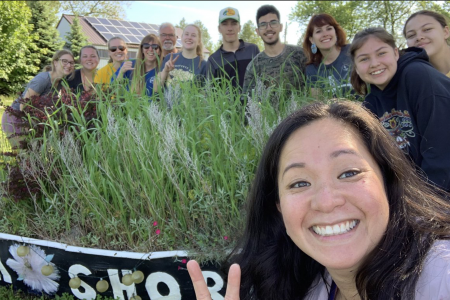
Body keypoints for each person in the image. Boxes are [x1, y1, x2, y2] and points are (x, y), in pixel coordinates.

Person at [187, 100, 450, 300]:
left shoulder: (442, 276)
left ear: (387, 180)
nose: (326, 201)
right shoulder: (305, 284)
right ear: (278, 208)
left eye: (349, 173)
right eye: (299, 183)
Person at [349, 27, 450, 192]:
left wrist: (426, 206)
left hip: (439, 192)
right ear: (357, 67)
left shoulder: (418, 76)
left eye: (381, 53)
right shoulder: (370, 104)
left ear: (396, 53)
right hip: (415, 193)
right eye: (364, 59)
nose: (375, 63)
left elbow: (442, 152)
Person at [2, 50, 75, 146]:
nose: (68, 65)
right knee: (23, 155)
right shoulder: (43, 80)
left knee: (35, 156)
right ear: (55, 62)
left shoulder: (60, 82)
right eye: (64, 61)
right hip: (17, 118)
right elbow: (23, 106)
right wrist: (34, 127)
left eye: (71, 62)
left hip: (32, 121)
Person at [242, 5, 307, 100]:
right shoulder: (253, 67)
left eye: (273, 22)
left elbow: (316, 91)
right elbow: (248, 103)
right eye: (263, 24)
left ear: (280, 27)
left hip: (302, 114)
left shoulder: (300, 55)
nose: (269, 28)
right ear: (258, 31)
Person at [206, 7, 260, 90]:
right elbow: (210, 93)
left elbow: (263, 80)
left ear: (239, 27)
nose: (230, 28)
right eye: (224, 24)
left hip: (252, 103)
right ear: (219, 29)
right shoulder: (213, 60)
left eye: (234, 23)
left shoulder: (253, 50)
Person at [303, 13, 353, 98]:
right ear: (312, 40)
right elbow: (317, 105)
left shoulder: (352, 51)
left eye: (329, 28)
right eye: (318, 31)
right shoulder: (312, 69)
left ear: (336, 33)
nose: (325, 34)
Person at [154, 24, 207, 93]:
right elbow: (155, 89)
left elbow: (205, 95)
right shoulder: (169, 58)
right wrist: (165, 71)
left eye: (193, 35)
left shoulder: (204, 65)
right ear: (181, 38)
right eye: (186, 34)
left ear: (199, 41)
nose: (189, 37)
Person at [404, 10, 450, 77]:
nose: (419, 37)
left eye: (427, 29)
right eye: (411, 35)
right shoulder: (413, 78)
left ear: (446, 32)